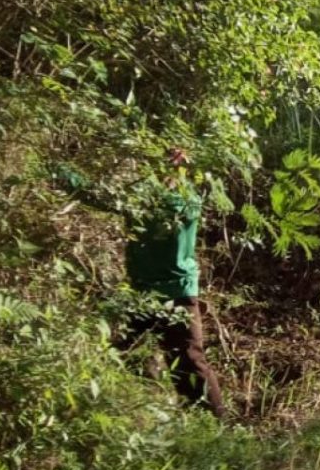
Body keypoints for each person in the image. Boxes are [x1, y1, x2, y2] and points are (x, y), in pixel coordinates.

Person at [58, 148, 226, 418]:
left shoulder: (177, 201)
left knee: (188, 361)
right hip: (145, 293)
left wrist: (62, 174)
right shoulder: (166, 197)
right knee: (132, 352)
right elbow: (103, 198)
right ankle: (149, 412)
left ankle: (214, 424)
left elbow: (99, 197)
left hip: (175, 295)